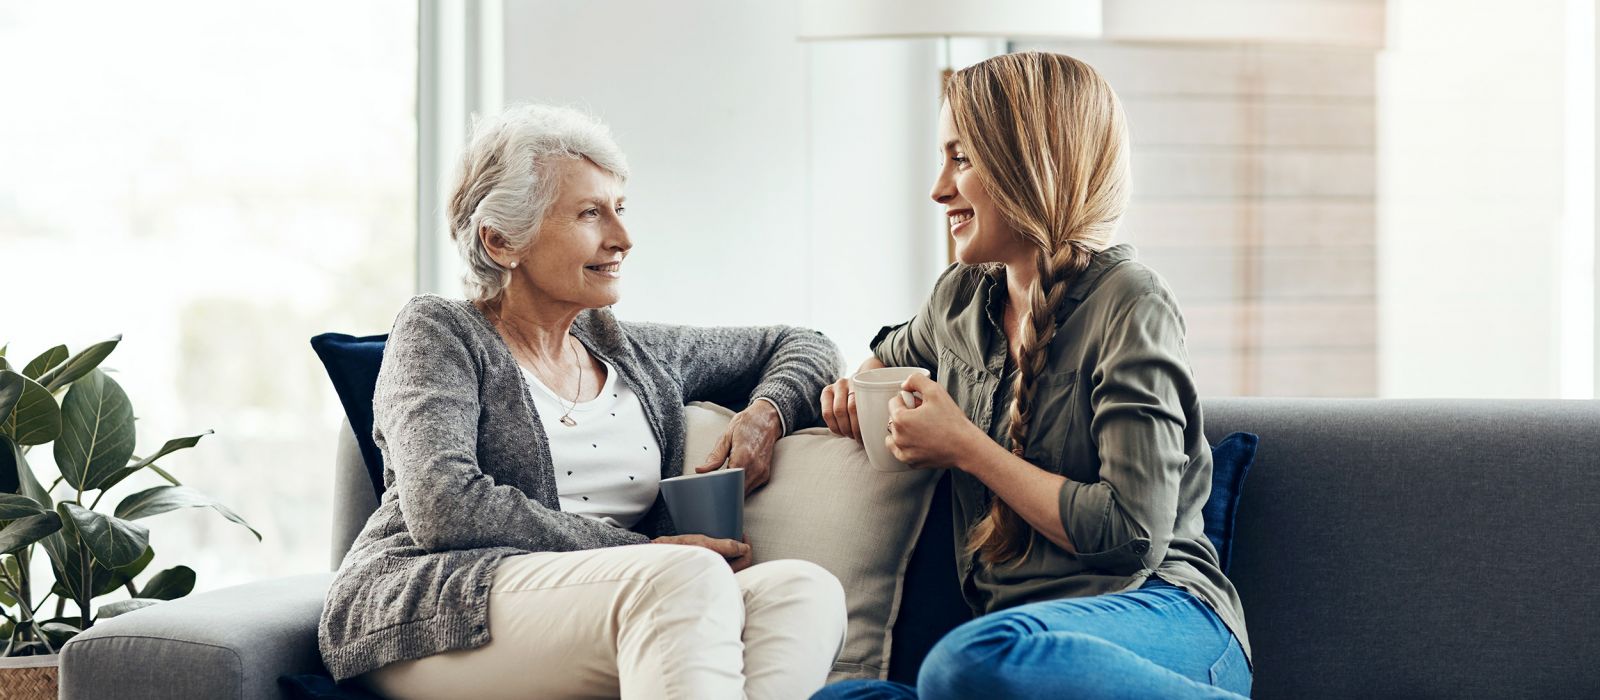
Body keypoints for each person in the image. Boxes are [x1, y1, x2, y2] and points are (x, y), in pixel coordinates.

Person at [319, 104, 847, 700]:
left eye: (619, 210)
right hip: (434, 605)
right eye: (590, 213)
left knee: (804, 590)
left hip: (616, 597)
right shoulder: (439, 332)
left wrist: (765, 415)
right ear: (500, 240)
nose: (622, 238)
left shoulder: (628, 348)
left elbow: (804, 344)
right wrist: (643, 551)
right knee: (685, 575)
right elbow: (444, 507)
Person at [814, 52, 1252, 699]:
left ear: (1029, 163)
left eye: (961, 159)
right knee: (843, 698)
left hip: (1158, 616)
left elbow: (1131, 536)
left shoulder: (1129, 302)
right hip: (1010, 643)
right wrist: (854, 393)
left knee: (967, 663)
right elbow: (884, 359)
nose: (938, 189)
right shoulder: (960, 299)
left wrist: (967, 447)